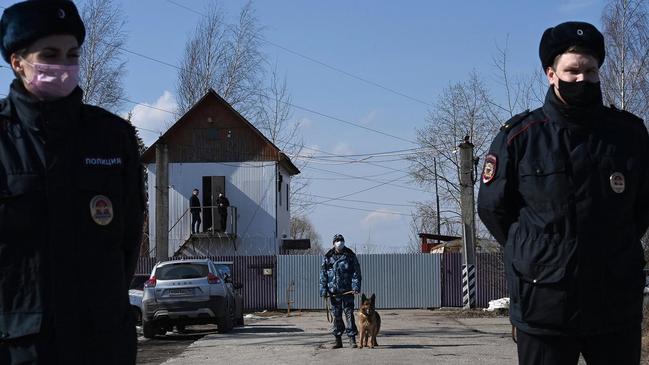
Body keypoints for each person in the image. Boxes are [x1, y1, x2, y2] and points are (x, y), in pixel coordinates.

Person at [477, 21, 649, 365]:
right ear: (550, 74)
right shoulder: (521, 137)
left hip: (614, 301)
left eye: (590, 70)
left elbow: (643, 205)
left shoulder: (628, 134)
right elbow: (494, 208)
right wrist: (534, 252)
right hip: (544, 304)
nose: (581, 78)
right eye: (572, 71)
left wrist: (616, 244)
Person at [0, 1, 145, 364]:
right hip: (20, 347)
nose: (63, 66)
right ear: (18, 61)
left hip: (101, 343)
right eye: (49, 54)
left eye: (71, 54)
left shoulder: (112, 137)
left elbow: (128, 239)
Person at [319, 234, 362, 349]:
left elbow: (356, 273)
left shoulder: (350, 255)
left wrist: (356, 286)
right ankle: (338, 340)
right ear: (333, 243)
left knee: (349, 314)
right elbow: (323, 274)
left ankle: (352, 339)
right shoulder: (328, 256)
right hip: (334, 292)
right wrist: (323, 289)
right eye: (337, 240)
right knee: (337, 315)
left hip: (347, 291)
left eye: (341, 240)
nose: (339, 242)